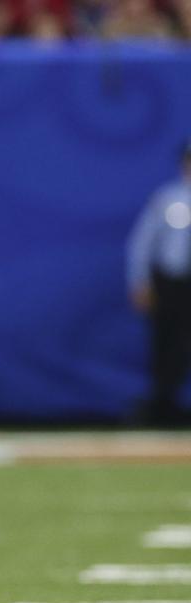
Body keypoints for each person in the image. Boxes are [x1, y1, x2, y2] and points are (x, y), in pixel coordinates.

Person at [128, 138, 191, 426]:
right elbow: (142, 242)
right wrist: (139, 281)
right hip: (169, 281)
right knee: (164, 341)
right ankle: (161, 405)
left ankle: (172, 401)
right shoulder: (169, 198)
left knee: (184, 345)